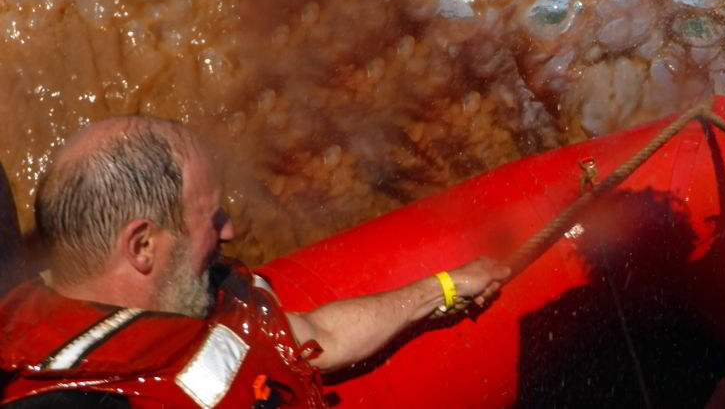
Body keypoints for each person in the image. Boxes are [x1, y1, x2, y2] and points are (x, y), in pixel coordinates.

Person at [0, 115, 510, 408]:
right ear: (142, 247)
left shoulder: (194, 301)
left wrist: (443, 288)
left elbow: (312, 336)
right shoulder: (76, 400)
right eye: (210, 219)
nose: (231, 232)